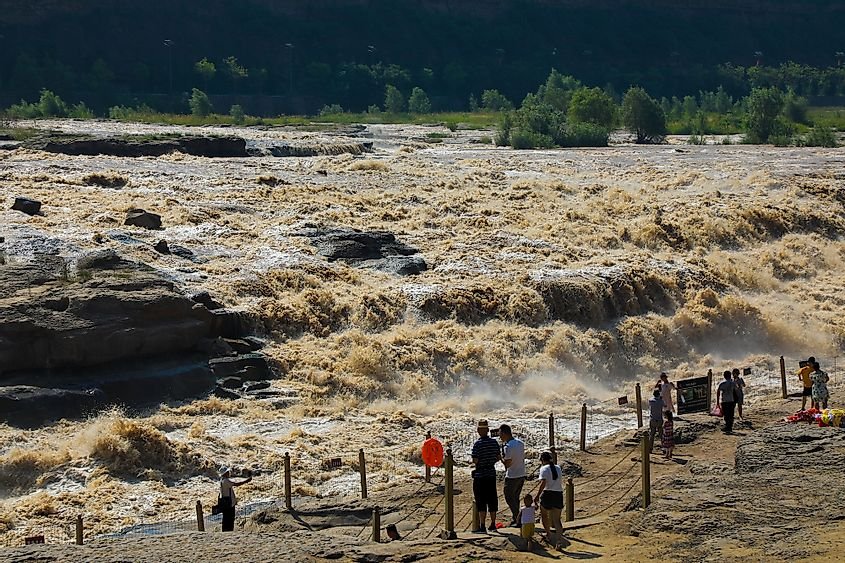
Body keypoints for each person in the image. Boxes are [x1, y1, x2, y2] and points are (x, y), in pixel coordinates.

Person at [471, 419, 502, 533]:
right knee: (492, 499)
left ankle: (482, 525)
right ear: (488, 430)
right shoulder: (494, 443)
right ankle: (493, 523)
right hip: (491, 473)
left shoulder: (478, 444)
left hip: (480, 475)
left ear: (479, 431)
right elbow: (498, 457)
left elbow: (475, 460)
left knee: (481, 501)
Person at [533, 451, 564, 548]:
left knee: (544, 515)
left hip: (548, 494)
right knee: (557, 520)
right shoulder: (558, 467)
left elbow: (543, 483)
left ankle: (548, 534)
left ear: (542, 460)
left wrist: (537, 495)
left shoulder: (544, 469)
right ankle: (559, 540)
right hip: (558, 494)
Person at [499, 424, 526, 528]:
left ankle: (518, 518)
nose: (500, 436)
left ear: (505, 433)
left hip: (512, 475)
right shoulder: (520, 443)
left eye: (500, 434)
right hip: (521, 473)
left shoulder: (508, 446)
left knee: (509, 497)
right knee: (515, 497)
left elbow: (507, 463)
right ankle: (516, 519)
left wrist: (500, 458)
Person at [218, 467, 252, 532]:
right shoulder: (226, 481)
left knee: (226, 518)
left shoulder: (222, 480)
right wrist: (246, 481)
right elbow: (236, 484)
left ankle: (225, 531)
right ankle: (229, 531)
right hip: (229, 503)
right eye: (227, 472)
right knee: (230, 518)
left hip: (225, 503)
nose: (228, 473)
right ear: (224, 473)